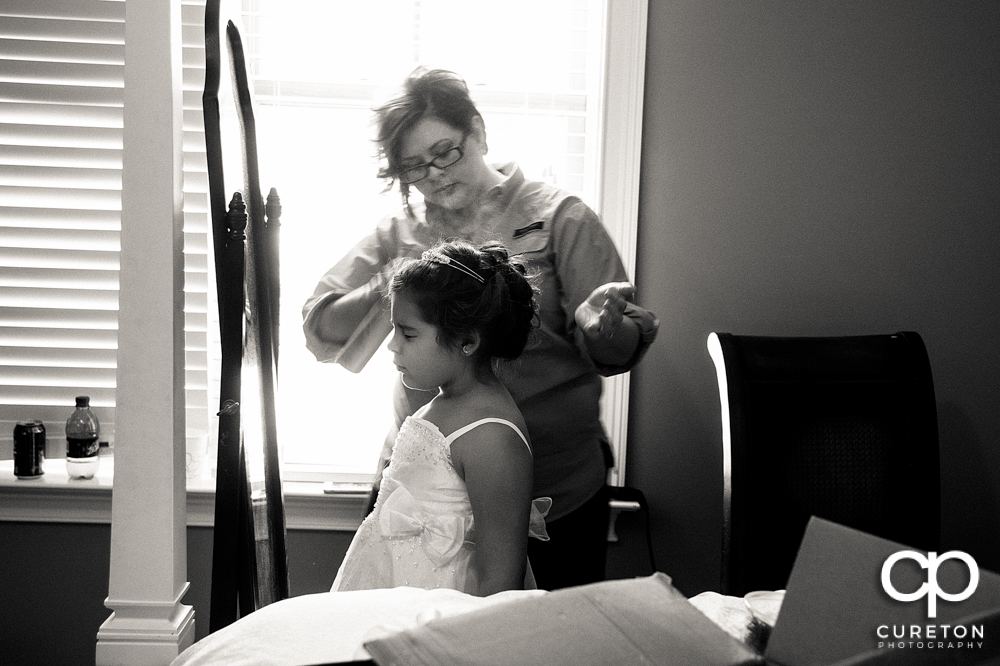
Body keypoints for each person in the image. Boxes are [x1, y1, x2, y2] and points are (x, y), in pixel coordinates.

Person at [303, 67, 658, 590]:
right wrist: (392, 280)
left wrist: (600, 329)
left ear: (479, 132)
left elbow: (618, 346)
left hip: (554, 490)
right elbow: (320, 330)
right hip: (424, 490)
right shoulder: (397, 234)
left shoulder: (560, 216)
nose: (435, 175)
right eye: (414, 167)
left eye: (445, 152)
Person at [332, 240, 549, 596]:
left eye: (409, 333)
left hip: (440, 609)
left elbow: (501, 582)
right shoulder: (437, 405)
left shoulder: (492, 436)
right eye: (394, 329)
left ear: (467, 340)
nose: (392, 345)